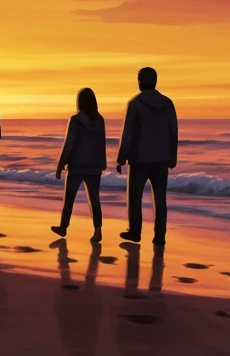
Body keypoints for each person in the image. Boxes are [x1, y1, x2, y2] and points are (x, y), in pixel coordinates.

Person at [116, 67, 178, 246]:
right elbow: (173, 132)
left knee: (135, 198)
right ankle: (160, 236)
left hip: (139, 159)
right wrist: (172, 156)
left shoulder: (135, 103)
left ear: (140, 82)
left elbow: (127, 132)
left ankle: (135, 232)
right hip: (161, 159)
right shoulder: (167, 103)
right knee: (160, 199)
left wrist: (121, 158)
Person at [51, 88, 106, 242]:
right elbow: (102, 143)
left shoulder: (75, 120)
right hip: (94, 167)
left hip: (76, 166)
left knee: (69, 199)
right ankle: (98, 231)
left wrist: (61, 164)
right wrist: (101, 163)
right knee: (95, 200)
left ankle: (63, 227)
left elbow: (69, 143)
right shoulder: (100, 120)